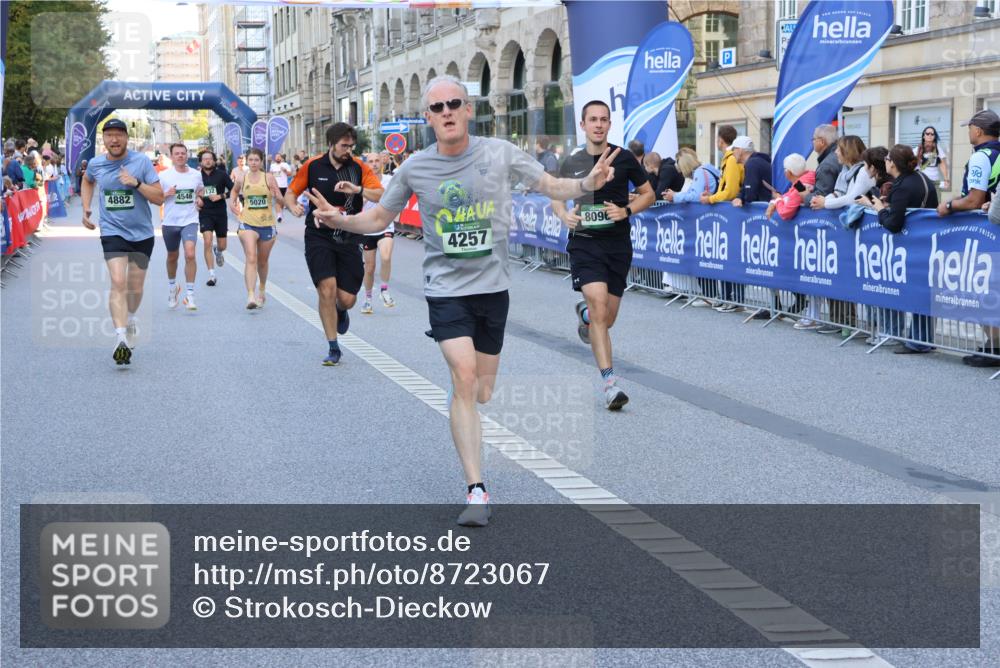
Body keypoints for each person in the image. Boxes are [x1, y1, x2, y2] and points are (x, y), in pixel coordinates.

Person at [303, 75, 620, 526]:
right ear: (429, 118)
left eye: (454, 103)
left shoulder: (499, 153)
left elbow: (551, 185)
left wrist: (588, 181)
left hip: (492, 290)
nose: (447, 111)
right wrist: (342, 220)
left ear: (468, 109)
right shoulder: (416, 166)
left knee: (483, 391)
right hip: (445, 289)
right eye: (437, 107)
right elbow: (378, 216)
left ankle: (469, 414)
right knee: (465, 378)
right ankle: (476, 489)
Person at [551, 99, 656, 410]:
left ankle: (584, 316)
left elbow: (648, 193)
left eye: (603, 119)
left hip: (617, 246)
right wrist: (563, 215)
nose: (598, 124)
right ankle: (610, 385)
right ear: (582, 125)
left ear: (610, 124)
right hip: (585, 243)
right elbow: (555, 196)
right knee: (599, 306)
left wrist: (625, 210)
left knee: (605, 318)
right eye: (592, 119)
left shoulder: (623, 158)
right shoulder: (572, 161)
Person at [285, 122, 384, 366]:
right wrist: (293, 206)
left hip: (349, 234)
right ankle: (333, 346)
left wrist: (358, 189)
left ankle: (341, 310)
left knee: (347, 299)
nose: (348, 150)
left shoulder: (358, 168)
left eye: (351, 146)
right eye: (344, 145)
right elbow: (290, 192)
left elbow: (380, 195)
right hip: (318, 235)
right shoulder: (312, 165)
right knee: (326, 288)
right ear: (331, 144)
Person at [80, 118, 164, 364]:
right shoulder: (96, 164)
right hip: (112, 230)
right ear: (103, 140)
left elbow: (159, 198)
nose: (114, 139)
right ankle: (120, 339)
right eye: (109, 135)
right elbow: (87, 180)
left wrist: (136, 183)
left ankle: (132, 318)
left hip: (142, 234)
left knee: (135, 287)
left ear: (127, 138)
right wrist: (86, 207)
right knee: (118, 281)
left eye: (119, 134)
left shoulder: (141, 162)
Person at [859, 144, 938, 353]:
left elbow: (894, 223)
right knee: (922, 291)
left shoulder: (902, 185)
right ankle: (921, 339)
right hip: (925, 242)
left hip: (912, 245)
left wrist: (879, 210)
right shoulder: (921, 178)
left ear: (892, 163)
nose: (885, 162)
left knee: (917, 292)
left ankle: (918, 341)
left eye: (887, 159)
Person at [937, 110, 1000, 367]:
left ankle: (995, 346)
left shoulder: (981, 157)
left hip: (985, 233)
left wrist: (949, 206)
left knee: (982, 289)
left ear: (978, 131)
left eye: (970, 127)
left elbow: (974, 198)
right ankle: (993, 345)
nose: (968, 131)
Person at [720, 136, 770, 314]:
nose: (733, 153)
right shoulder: (757, 162)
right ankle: (774, 305)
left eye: (734, 150)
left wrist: (743, 198)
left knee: (764, 260)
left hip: (762, 216)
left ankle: (774, 305)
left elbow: (750, 189)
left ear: (741, 150)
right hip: (763, 214)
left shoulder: (752, 164)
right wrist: (741, 196)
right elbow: (746, 189)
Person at [230, 148, 284, 309]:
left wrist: (277, 195)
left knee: (262, 261)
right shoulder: (242, 177)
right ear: (247, 161)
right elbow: (234, 191)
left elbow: (280, 199)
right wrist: (232, 202)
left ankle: (262, 289)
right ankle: (251, 296)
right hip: (247, 223)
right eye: (251, 160)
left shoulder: (268, 177)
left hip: (267, 224)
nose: (253, 163)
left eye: (256, 160)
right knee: (251, 257)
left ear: (261, 162)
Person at [159, 143, 205, 311]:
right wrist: (165, 194)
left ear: (187, 155)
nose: (180, 156)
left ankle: (190, 295)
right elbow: (155, 198)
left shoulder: (196, 175)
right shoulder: (164, 176)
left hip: (190, 220)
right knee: (172, 256)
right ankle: (173, 288)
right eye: (177, 153)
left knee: (190, 254)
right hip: (170, 222)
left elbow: (200, 191)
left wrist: (200, 199)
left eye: (183, 153)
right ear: (171, 156)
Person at [359, 154, 397, 314]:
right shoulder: (361, 182)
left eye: (377, 161)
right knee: (369, 268)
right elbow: (356, 205)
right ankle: (368, 299)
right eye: (371, 162)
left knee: (386, 256)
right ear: (366, 164)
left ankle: (384, 290)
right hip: (368, 227)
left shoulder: (389, 180)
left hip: (386, 225)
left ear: (382, 162)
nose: (374, 164)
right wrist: (367, 196)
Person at [197, 149, 234, 286]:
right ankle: (212, 275)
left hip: (220, 213)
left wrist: (221, 196)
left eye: (210, 158)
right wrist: (197, 198)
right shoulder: (196, 176)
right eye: (205, 159)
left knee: (223, 245)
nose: (207, 161)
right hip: (205, 213)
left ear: (214, 161)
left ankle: (218, 251)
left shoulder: (222, 175)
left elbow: (234, 190)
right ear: (201, 162)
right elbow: (191, 190)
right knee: (207, 241)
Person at [803, 124, 842, 207]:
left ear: (822, 142)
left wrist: (805, 195)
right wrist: (814, 188)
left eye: (813, 139)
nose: (812, 141)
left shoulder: (827, 164)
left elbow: (820, 198)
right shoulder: (839, 154)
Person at [915, 125, 950, 193]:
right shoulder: (917, 150)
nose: (929, 135)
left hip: (935, 181)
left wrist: (946, 179)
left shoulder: (938, 149)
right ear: (923, 136)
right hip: (921, 181)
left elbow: (943, 164)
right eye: (927, 133)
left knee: (935, 202)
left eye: (932, 134)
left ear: (934, 136)